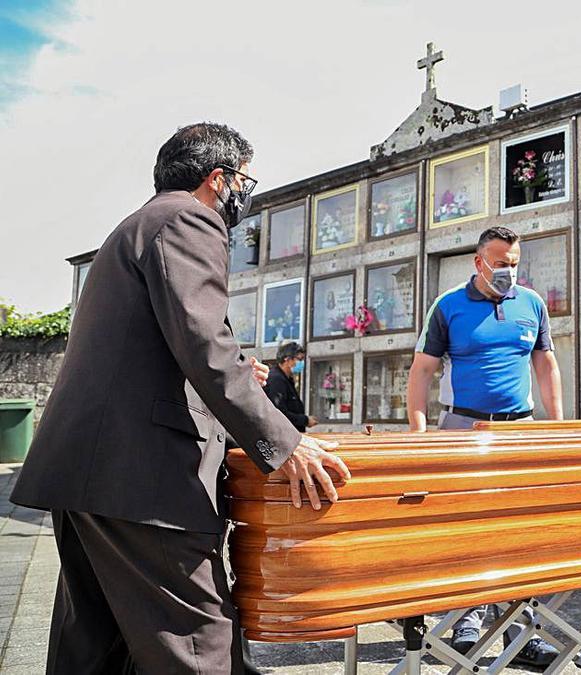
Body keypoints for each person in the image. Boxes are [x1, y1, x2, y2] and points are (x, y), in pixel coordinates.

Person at [10, 122, 351, 674]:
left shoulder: (140, 225)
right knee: (197, 648)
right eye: (247, 180)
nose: (247, 194)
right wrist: (287, 446)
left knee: (96, 649)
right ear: (220, 179)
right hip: (144, 480)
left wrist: (242, 370)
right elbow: (203, 341)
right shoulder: (189, 218)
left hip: (95, 473)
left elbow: (160, 344)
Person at [406, 225, 563, 668]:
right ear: (479, 262)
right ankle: (467, 619)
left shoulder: (531, 304)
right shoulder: (449, 305)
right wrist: (420, 432)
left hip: (519, 432)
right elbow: (421, 372)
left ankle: (523, 631)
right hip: (462, 428)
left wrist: (557, 426)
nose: (508, 271)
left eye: (514, 264)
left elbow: (545, 365)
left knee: (521, 531)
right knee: (466, 528)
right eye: (500, 263)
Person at [265, 342, 317, 432]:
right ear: (287, 360)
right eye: (299, 359)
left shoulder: (287, 379)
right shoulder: (276, 379)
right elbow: (279, 413)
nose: (302, 363)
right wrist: (305, 420)